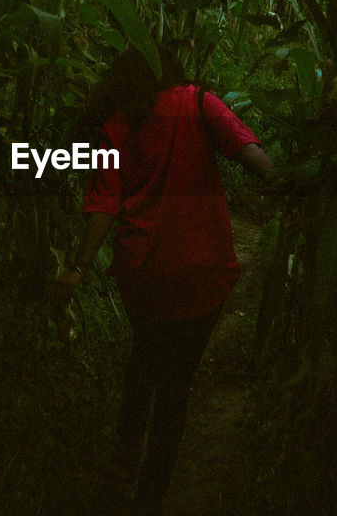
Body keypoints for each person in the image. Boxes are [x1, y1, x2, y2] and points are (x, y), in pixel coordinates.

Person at [56, 45, 272, 514]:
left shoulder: (117, 124)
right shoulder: (199, 103)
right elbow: (250, 156)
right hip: (203, 271)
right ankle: (150, 494)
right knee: (175, 386)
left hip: (144, 274)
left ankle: (120, 467)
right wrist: (301, 186)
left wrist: (79, 266)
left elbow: (104, 203)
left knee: (145, 358)